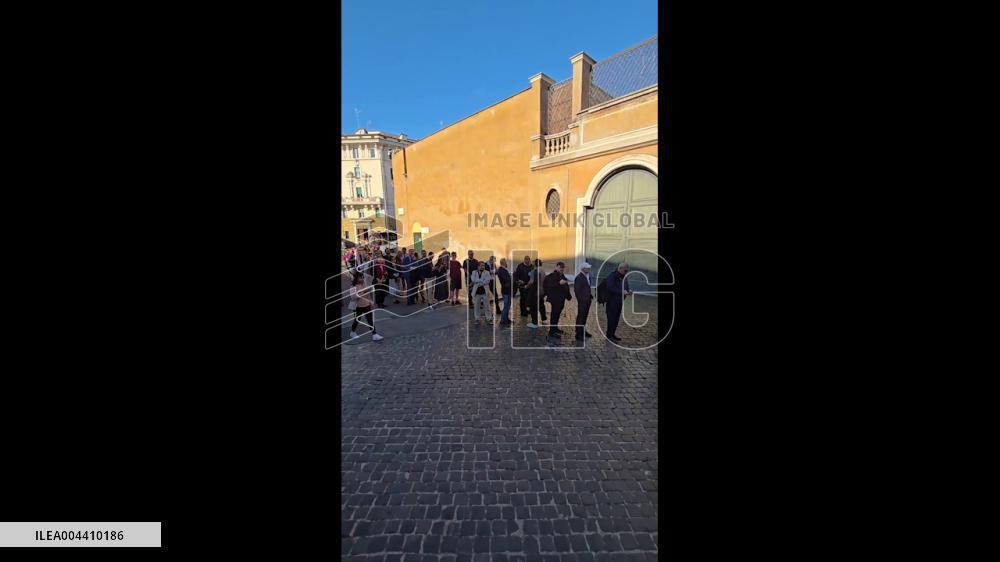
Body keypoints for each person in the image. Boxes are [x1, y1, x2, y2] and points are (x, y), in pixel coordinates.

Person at [349, 274, 383, 341]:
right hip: (358, 306)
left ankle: (374, 334)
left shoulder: (363, 284)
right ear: (356, 279)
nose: (362, 279)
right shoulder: (353, 286)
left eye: (362, 278)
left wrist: (370, 301)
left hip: (366, 305)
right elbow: (353, 297)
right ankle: (352, 332)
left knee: (370, 320)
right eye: (360, 278)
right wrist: (363, 292)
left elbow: (368, 294)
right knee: (357, 320)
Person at [604, 263, 633, 342]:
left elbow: (625, 287)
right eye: (625, 270)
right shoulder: (612, 276)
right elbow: (610, 288)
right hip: (612, 302)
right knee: (611, 319)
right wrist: (622, 292)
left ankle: (612, 334)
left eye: (627, 271)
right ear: (620, 268)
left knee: (616, 319)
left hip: (619, 302)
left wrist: (628, 291)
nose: (626, 272)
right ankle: (609, 336)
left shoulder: (624, 276)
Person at [543, 261, 571, 338]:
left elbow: (565, 286)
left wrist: (568, 296)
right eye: (560, 267)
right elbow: (550, 287)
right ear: (556, 267)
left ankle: (555, 328)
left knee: (557, 314)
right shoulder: (552, 276)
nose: (562, 269)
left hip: (561, 299)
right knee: (554, 314)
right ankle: (552, 331)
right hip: (555, 299)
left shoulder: (562, 275)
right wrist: (559, 283)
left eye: (563, 267)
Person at [574, 262, 595, 340]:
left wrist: (590, 296)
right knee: (581, 317)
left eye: (589, 268)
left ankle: (582, 331)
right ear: (583, 269)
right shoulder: (579, 277)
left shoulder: (587, 276)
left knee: (584, 316)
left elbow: (587, 288)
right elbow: (577, 291)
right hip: (583, 301)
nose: (589, 269)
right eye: (588, 268)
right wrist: (581, 300)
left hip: (587, 300)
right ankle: (578, 334)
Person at [523, 260, 540, 328]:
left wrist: (526, 286)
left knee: (533, 307)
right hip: (539, 291)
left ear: (534, 264)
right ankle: (536, 322)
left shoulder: (533, 271)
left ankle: (534, 323)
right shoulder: (541, 271)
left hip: (533, 291)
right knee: (536, 306)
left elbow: (531, 281)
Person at [496, 258, 513, 327]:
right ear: (503, 263)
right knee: (506, 306)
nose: (507, 263)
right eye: (506, 262)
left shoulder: (502, 270)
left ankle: (506, 319)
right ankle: (503, 321)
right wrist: (512, 280)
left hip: (506, 290)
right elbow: (506, 281)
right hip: (506, 290)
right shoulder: (501, 270)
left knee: (508, 305)